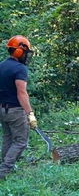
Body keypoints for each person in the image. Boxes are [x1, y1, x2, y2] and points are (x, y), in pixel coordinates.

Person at [0, 35, 37, 180]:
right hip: (15, 110)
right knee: (21, 141)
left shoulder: (1, 65)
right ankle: (4, 170)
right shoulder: (20, 69)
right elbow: (22, 93)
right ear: (19, 51)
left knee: (8, 137)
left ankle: (5, 163)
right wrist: (30, 114)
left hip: (2, 109)